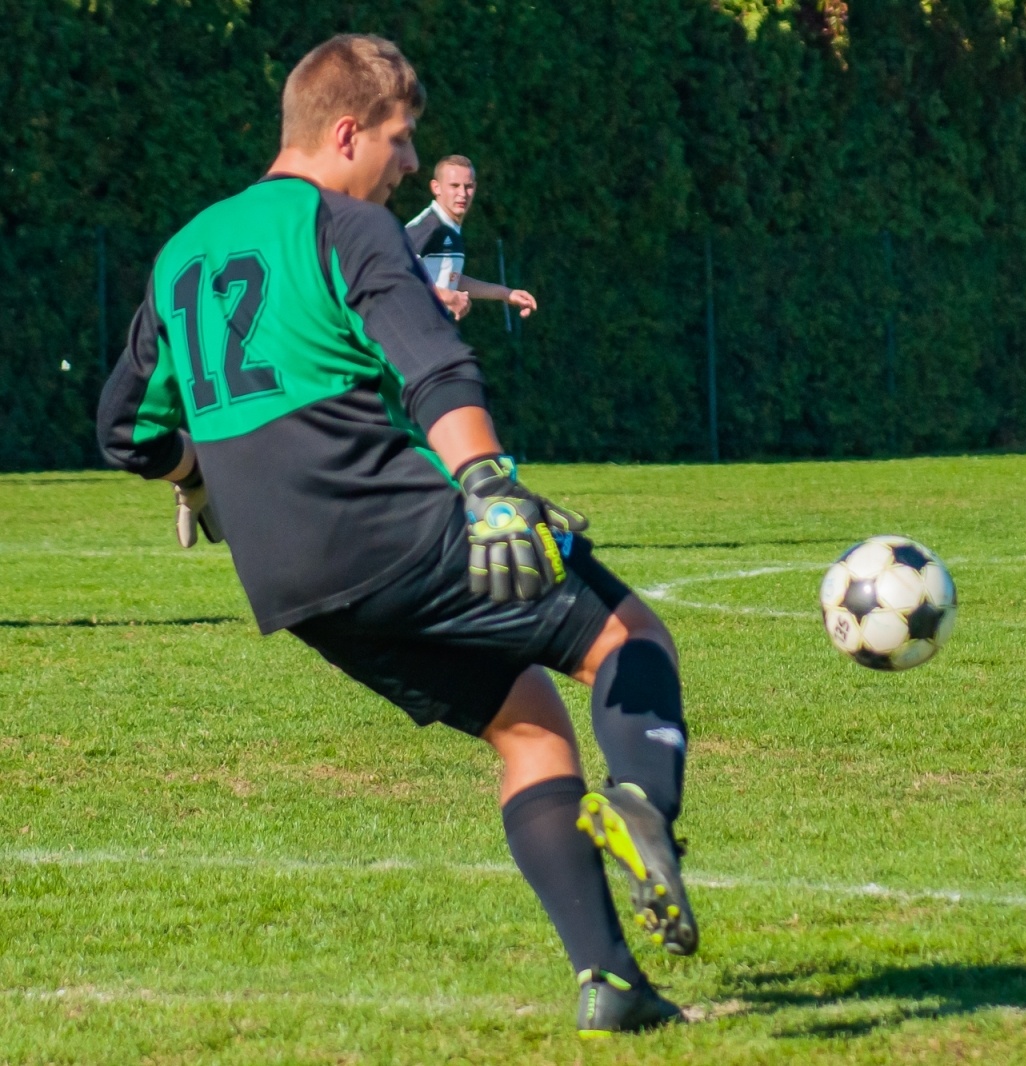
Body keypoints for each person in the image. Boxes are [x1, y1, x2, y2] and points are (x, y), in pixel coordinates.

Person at [96, 34, 693, 1037]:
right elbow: (434, 366)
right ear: (346, 134)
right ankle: (641, 799)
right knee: (632, 639)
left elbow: (125, 430)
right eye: (401, 139)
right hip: (388, 522)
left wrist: (199, 483)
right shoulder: (349, 225)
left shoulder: (183, 250)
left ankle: (611, 981)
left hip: (293, 584)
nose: (411, 163)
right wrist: (489, 484)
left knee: (528, 724)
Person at [406, 155, 536, 323]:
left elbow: (452, 279)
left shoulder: (451, 229)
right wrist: (447, 296)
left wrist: (506, 294)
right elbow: (396, 275)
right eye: (454, 186)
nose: (462, 193)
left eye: (468, 186)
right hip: (406, 331)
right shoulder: (428, 226)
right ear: (436, 187)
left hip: (431, 331)